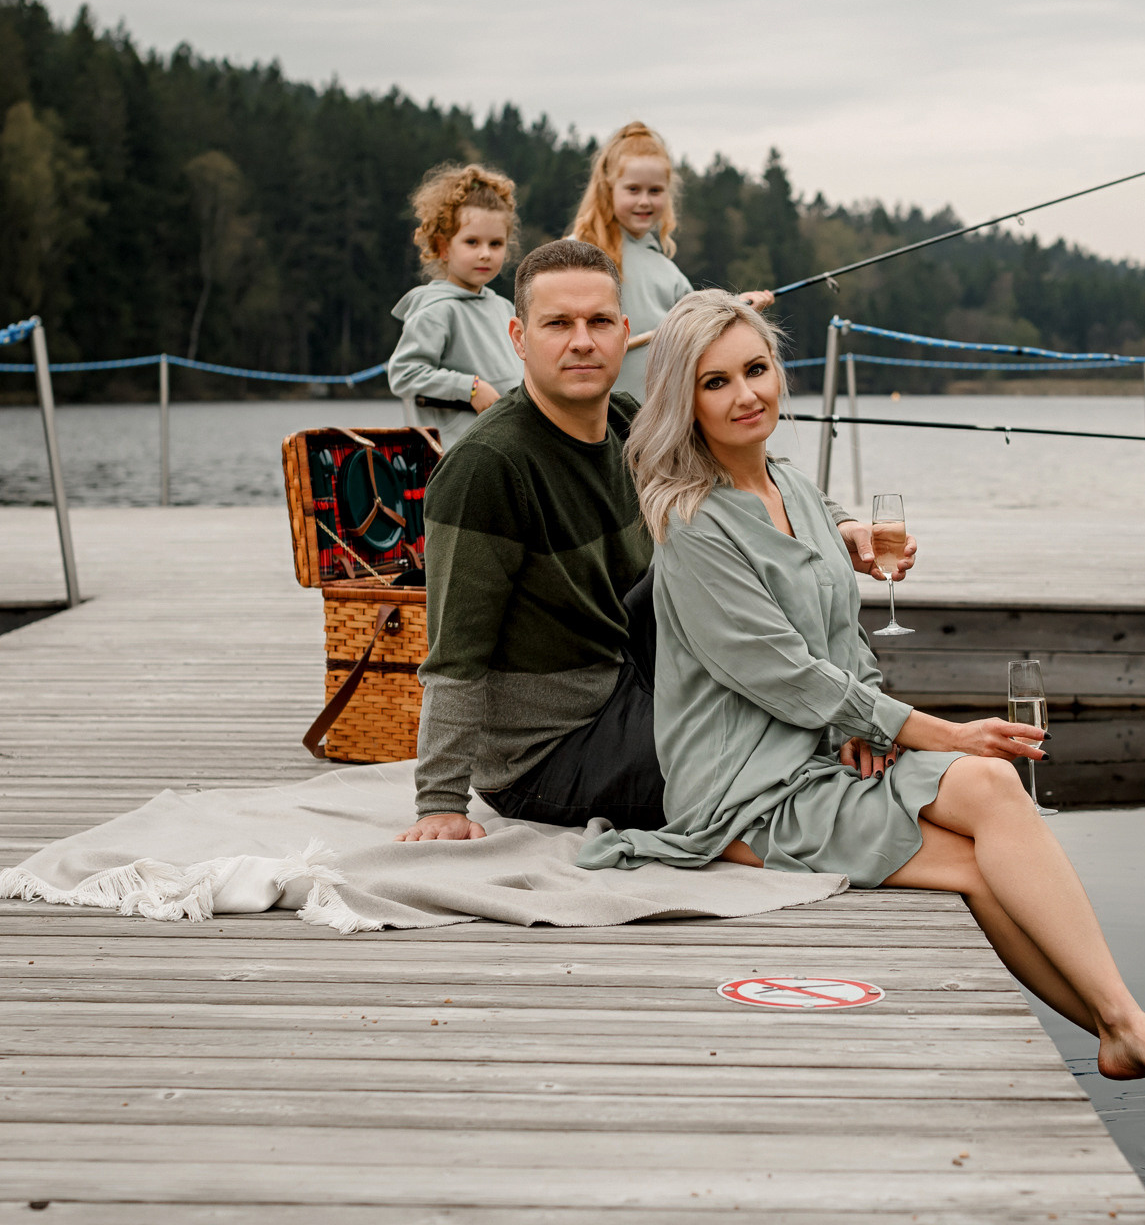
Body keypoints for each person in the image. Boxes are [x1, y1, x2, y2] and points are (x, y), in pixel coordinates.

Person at [578, 290, 1145, 1134]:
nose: (748, 395)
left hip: (820, 756)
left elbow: (840, 643)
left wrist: (868, 731)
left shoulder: (793, 485)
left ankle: (1130, 1035)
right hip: (744, 788)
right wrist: (931, 731)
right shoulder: (693, 525)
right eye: (718, 383)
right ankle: (1136, 1031)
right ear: (685, 399)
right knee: (981, 811)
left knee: (984, 827)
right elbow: (784, 676)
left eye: (758, 369)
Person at [399, 241, 907, 842]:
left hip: (638, 678)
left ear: (625, 332)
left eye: (599, 322)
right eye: (558, 324)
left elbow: (751, 478)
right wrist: (440, 801)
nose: (582, 341)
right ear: (518, 336)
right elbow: (456, 651)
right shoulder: (486, 468)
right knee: (769, 760)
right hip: (548, 749)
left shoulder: (626, 425)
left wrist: (841, 524)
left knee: (782, 701)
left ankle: (865, 729)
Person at [568, 121, 775, 397]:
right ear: (608, 189)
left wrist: (734, 311)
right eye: (633, 190)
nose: (645, 201)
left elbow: (697, 341)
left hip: (653, 420)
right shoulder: (575, 253)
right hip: (589, 416)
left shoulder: (670, 273)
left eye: (655, 191)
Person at [387, 162, 522, 448]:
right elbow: (404, 373)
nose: (485, 253)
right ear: (444, 247)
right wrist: (470, 388)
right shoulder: (437, 309)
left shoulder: (505, 309)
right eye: (472, 242)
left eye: (496, 244)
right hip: (454, 458)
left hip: (506, 451)